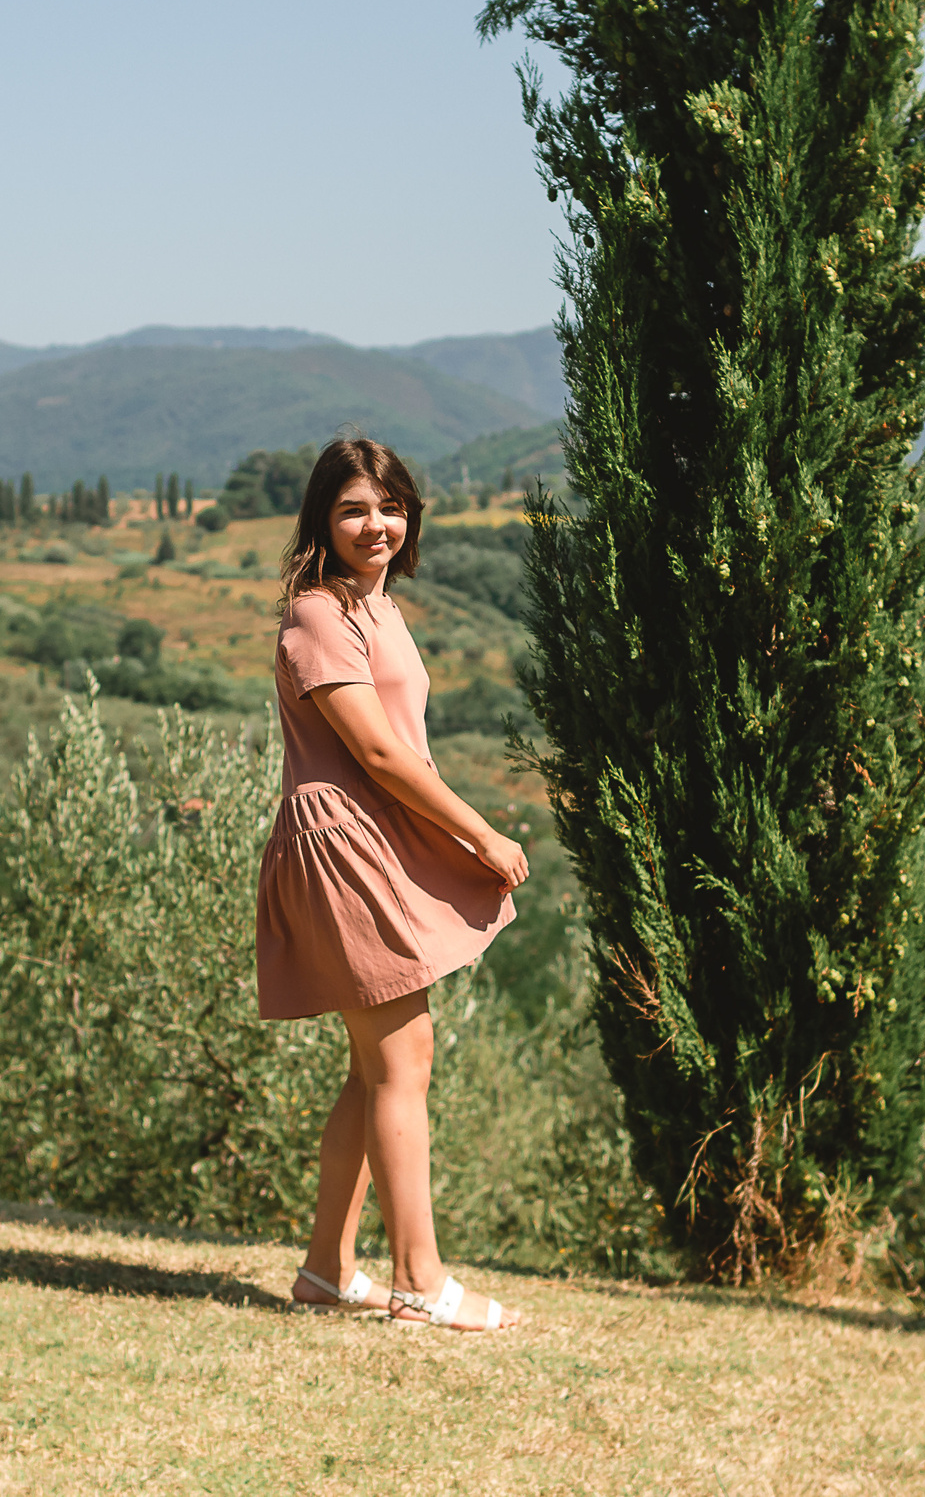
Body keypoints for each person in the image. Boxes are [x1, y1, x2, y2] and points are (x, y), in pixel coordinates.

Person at [255, 437, 527, 1332]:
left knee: (372, 1068)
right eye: (354, 510)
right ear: (322, 522)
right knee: (404, 1059)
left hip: (374, 842)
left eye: (391, 507)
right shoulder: (316, 615)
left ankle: (329, 1271)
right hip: (341, 845)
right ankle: (419, 1279)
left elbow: (397, 748)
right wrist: (477, 828)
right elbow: (373, 751)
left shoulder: (381, 611)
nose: (377, 524)